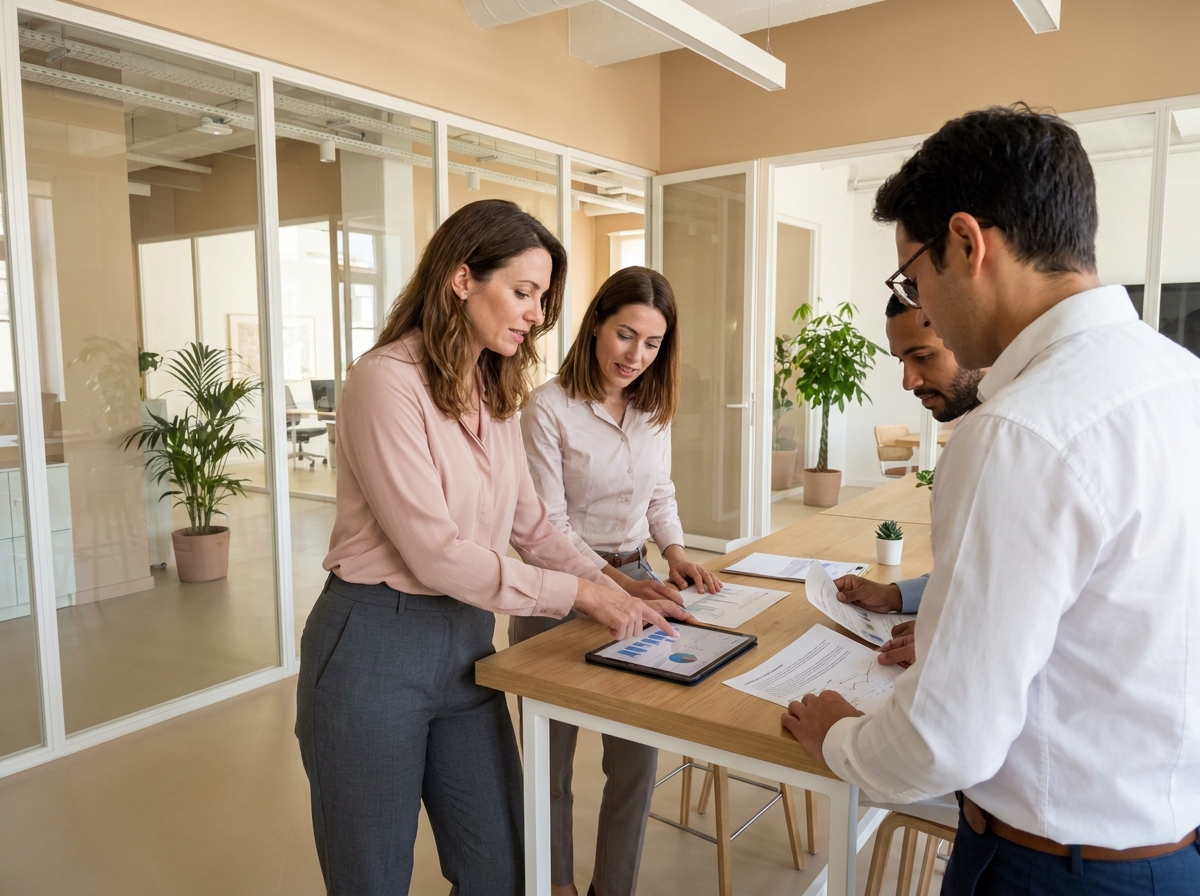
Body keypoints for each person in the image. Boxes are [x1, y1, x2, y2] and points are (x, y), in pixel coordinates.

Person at [783, 106, 1200, 893]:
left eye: (914, 276)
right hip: (1167, 847)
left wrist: (843, 735)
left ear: (969, 244)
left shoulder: (1017, 431)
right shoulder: (1182, 379)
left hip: (1049, 866)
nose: (923, 306)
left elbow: (946, 742)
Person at [294, 200, 688, 896]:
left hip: (469, 644)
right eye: (524, 292)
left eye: (542, 298)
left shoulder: (492, 388)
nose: (537, 314)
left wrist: (620, 585)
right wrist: (581, 595)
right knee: (372, 878)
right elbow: (436, 554)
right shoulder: (384, 381)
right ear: (461, 279)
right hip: (373, 647)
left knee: (505, 868)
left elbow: (534, 525)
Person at [515, 266, 717, 896]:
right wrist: (616, 585)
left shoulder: (653, 409)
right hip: (558, 589)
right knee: (550, 762)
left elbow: (660, 493)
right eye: (626, 335)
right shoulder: (548, 409)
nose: (637, 355)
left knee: (635, 760)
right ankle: (555, 886)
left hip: (638, 576)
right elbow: (547, 524)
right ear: (596, 324)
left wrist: (675, 553)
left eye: (653, 343)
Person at [834, 295, 987, 667]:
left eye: (922, 357)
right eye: (902, 361)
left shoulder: (1013, 436)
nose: (908, 382)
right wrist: (896, 596)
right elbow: (976, 573)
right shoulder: (979, 427)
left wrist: (950, 640)